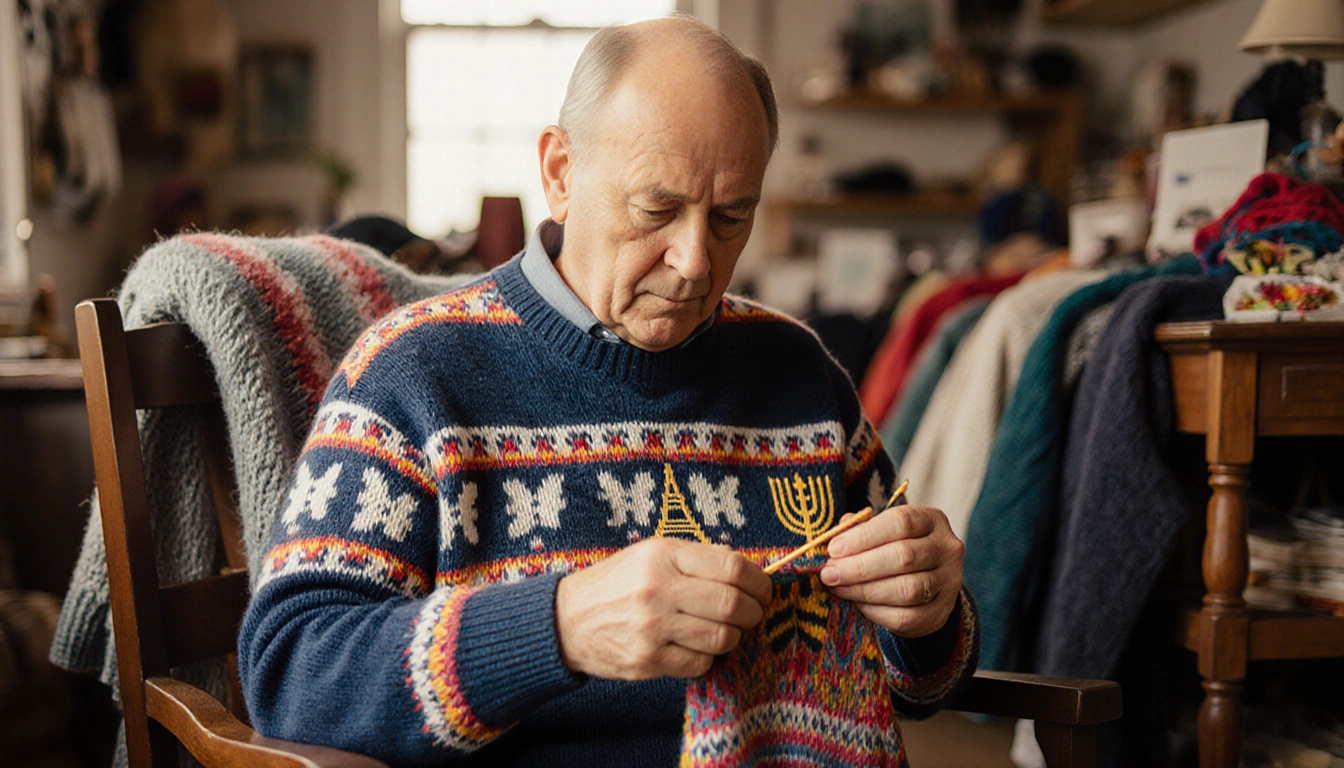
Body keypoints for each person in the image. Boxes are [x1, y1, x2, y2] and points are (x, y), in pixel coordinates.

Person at [239, 15, 977, 766]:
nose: (695, 260)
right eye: (656, 210)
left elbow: (921, 686)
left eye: (731, 216)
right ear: (560, 174)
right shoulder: (412, 375)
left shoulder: (799, 373)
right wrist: (557, 627)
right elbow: (291, 673)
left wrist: (932, 616)